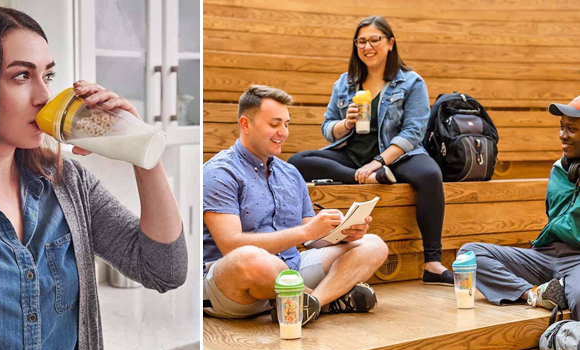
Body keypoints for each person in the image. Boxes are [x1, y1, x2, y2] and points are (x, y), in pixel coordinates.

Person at [0, 6, 187, 350]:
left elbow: (164, 270)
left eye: (48, 74)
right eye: (21, 76)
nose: (44, 95)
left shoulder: (68, 184)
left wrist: (143, 150)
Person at [202, 85, 389, 326]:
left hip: (292, 271)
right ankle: (330, 298)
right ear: (246, 124)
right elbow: (230, 245)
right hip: (236, 288)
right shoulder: (219, 172)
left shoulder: (290, 173)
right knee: (249, 257)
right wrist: (306, 232)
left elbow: (311, 237)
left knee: (374, 244)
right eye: (274, 124)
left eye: (286, 124)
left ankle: (312, 303)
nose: (283, 132)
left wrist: (342, 233)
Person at [287, 15, 451, 286]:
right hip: (353, 156)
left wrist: (378, 162)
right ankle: (360, 177)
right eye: (361, 41)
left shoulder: (410, 82)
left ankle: (432, 263)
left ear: (390, 43)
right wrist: (345, 122)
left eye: (375, 39)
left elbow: (413, 132)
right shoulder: (345, 83)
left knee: (430, 174)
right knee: (297, 160)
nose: (367, 46)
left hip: (396, 156)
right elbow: (328, 127)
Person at [460, 96, 580, 319]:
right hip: (545, 254)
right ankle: (535, 294)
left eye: (571, 129)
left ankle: (567, 287)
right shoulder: (559, 171)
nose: (562, 135)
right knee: (470, 254)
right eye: (562, 127)